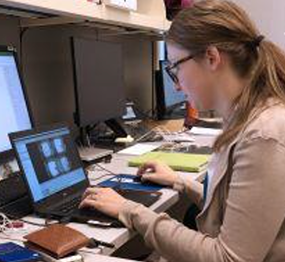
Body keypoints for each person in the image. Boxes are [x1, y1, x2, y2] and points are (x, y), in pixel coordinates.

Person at [80, 1, 285, 261]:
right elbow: (237, 213)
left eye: (175, 67)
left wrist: (130, 211)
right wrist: (181, 183)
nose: (176, 85)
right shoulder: (245, 118)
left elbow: (228, 257)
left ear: (212, 58)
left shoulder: (264, 135)